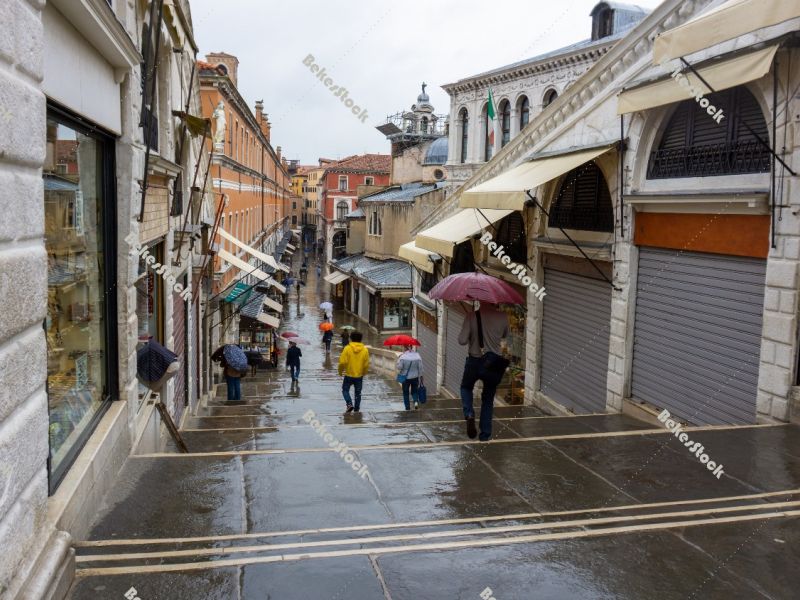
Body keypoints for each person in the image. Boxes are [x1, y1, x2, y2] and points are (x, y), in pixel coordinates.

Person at [458, 302, 509, 441]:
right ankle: (485, 434)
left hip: (474, 361)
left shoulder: (471, 316)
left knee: (466, 387)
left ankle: (469, 414)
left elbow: (461, 340)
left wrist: (470, 330)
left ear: (480, 299)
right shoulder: (503, 316)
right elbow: (505, 335)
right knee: (488, 399)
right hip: (493, 363)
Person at [338, 331, 369, 413]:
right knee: (358, 393)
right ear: (361, 339)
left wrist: (340, 371)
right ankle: (357, 409)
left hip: (349, 375)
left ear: (351, 338)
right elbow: (366, 364)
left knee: (345, 390)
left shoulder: (347, 348)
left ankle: (349, 404)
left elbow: (342, 362)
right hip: (359, 375)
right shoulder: (365, 350)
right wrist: (364, 373)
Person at [396, 345, 423, 410]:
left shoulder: (403, 357)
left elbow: (399, 367)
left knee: (405, 392)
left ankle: (407, 407)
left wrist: (398, 360)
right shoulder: (417, 356)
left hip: (405, 378)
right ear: (412, 347)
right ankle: (416, 401)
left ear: (405, 348)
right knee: (414, 391)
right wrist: (421, 376)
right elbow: (420, 367)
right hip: (415, 377)